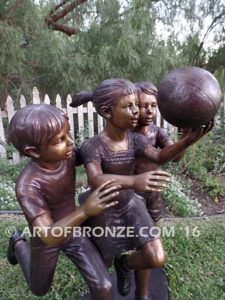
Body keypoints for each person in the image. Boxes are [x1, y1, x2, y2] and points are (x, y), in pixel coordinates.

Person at [70, 78, 212, 300]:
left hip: (131, 204)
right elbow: (96, 178)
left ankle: (125, 264)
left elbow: (159, 156)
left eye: (137, 105)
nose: (136, 112)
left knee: (156, 257)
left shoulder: (135, 139)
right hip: (103, 209)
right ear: (107, 112)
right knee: (101, 264)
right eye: (129, 106)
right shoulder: (94, 146)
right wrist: (134, 181)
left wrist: (187, 140)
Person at [6, 103, 121, 299]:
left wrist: (115, 122)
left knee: (104, 286)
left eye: (68, 134)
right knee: (38, 289)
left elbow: (90, 151)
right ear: (34, 152)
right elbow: (49, 235)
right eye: (60, 139)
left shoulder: (66, 156)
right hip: (47, 238)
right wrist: (85, 211)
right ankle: (18, 243)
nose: (70, 142)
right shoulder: (28, 185)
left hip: (73, 230)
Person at [133, 81, 186, 299]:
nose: (149, 111)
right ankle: (127, 274)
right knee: (131, 241)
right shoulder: (124, 133)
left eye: (153, 106)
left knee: (147, 245)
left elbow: (175, 158)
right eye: (144, 105)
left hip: (153, 194)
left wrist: (184, 141)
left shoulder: (157, 132)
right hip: (130, 195)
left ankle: (142, 293)